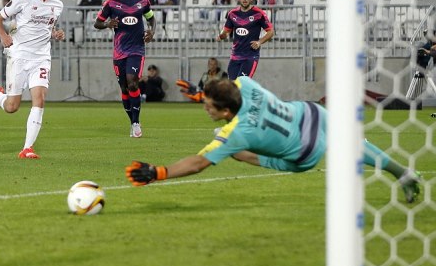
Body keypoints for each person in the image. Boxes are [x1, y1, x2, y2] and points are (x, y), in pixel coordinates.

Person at [125, 77, 423, 204]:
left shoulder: (235, 132)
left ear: (226, 111)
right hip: (313, 114)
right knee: (354, 146)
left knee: (238, 152)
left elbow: (198, 163)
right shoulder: (248, 86)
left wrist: (158, 172)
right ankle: (403, 174)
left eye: (208, 106)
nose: (204, 108)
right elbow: (232, 85)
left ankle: (402, 175)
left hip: (306, 154)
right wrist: (202, 91)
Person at [0, 0, 65, 159]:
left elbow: (45, 28)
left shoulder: (58, 5)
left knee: (40, 99)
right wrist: (3, 36)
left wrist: (55, 34)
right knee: (12, 107)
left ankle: (27, 148)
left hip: (41, 58)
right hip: (19, 56)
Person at [94, 0, 156, 138]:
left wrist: (152, 31)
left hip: (137, 49)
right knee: (124, 88)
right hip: (119, 51)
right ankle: (132, 121)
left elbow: (151, 18)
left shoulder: (143, 2)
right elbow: (97, 23)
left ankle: (136, 124)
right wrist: (107, 23)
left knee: (132, 83)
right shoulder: (111, 3)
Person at [217, 0, 274, 80]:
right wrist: (221, 36)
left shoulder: (259, 14)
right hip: (235, 56)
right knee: (232, 87)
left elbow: (271, 32)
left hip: (250, 57)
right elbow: (226, 32)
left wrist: (259, 42)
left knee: (242, 85)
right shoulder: (232, 13)